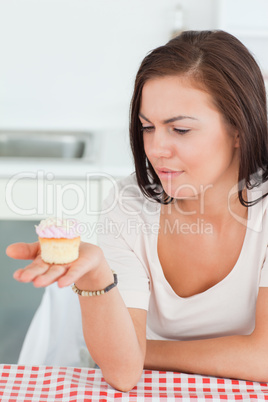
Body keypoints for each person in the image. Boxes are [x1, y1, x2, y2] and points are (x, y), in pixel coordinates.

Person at [6, 30, 268, 392]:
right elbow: (124, 374)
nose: (156, 148)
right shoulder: (128, 204)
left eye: (179, 129)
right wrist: (97, 274)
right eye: (147, 127)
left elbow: (264, 358)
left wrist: (144, 351)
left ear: (239, 128)